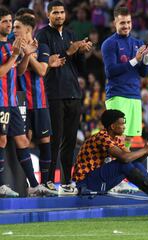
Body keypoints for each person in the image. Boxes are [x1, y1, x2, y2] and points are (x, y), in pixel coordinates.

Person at [36, 1, 93, 195]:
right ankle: (50, 180)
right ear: (48, 15)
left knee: (69, 141)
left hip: (73, 93)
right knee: (55, 139)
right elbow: (47, 63)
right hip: (53, 94)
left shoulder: (70, 34)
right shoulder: (42, 35)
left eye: (61, 12)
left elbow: (79, 67)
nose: (59, 15)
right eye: (55, 13)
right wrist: (69, 51)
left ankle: (67, 181)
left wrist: (83, 53)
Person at [0, 7, 56, 197]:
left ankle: (35, 184)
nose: (10, 26)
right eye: (7, 22)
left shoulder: (14, 46)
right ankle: (5, 185)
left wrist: (26, 55)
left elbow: (25, 71)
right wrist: (18, 54)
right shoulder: (7, 46)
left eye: (12, 23)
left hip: (17, 101)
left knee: (26, 139)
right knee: (4, 139)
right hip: (7, 100)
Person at [101, 6, 148, 149]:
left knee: (129, 138)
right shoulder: (109, 43)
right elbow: (110, 71)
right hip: (117, 95)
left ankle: (122, 168)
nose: (126, 26)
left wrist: (147, 60)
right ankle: (113, 168)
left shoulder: (138, 43)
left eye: (128, 22)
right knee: (118, 137)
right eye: (122, 23)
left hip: (134, 95)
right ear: (115, 23)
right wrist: (135, 60)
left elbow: (143, 73)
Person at [73, 110, 148, 197]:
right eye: (122, 124)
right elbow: (125, 158)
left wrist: (147, 151)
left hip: (99, 180)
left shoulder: (116, 139)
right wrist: (145, 150)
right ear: (112, 126)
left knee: (135, 164)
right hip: (87, 183)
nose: (124, 127)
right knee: (123, 164)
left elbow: (133, 160)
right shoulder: (102, 137)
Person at [14, 15, 53, 186]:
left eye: (17, 28)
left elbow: (42, 71)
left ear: (28, 30)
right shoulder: (13, 48)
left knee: (45, 142)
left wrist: (29, 55)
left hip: (40, 102)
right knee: (23, 141)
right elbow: (20, 72)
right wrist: (26, 54)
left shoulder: (43, 47)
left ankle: (45, 184)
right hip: (21, 103)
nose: (14, 31)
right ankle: (33, 185)